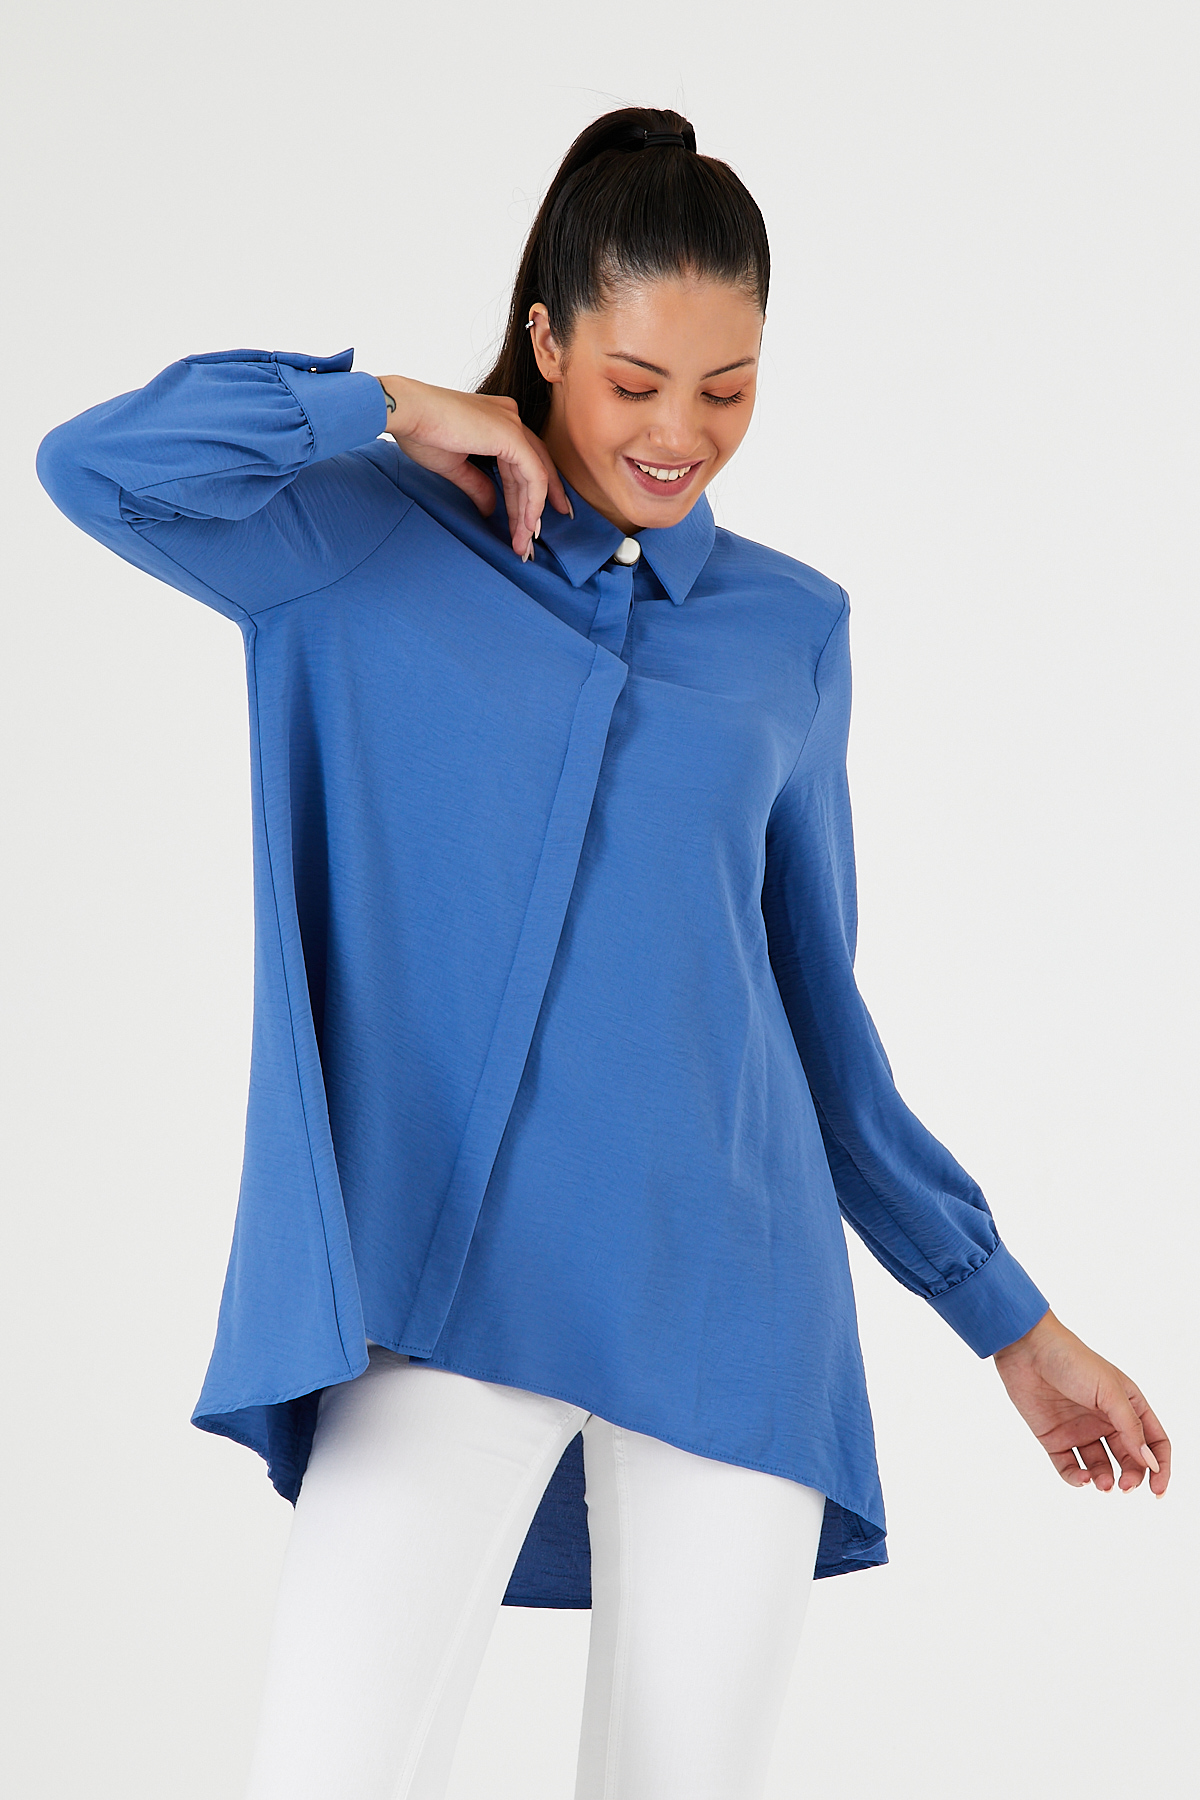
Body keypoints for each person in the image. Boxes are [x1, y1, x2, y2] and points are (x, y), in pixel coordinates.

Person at [35, 106, 1170, 1800]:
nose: (681, 435)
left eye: (730, 390)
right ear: (549, 339)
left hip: (737, 1310)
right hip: (449, 1296)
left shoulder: (792, 629)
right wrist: (393, 403)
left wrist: (1011, 1321)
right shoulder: (361, 537)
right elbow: (98, 464)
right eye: (637, 382)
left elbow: (815, 1021)